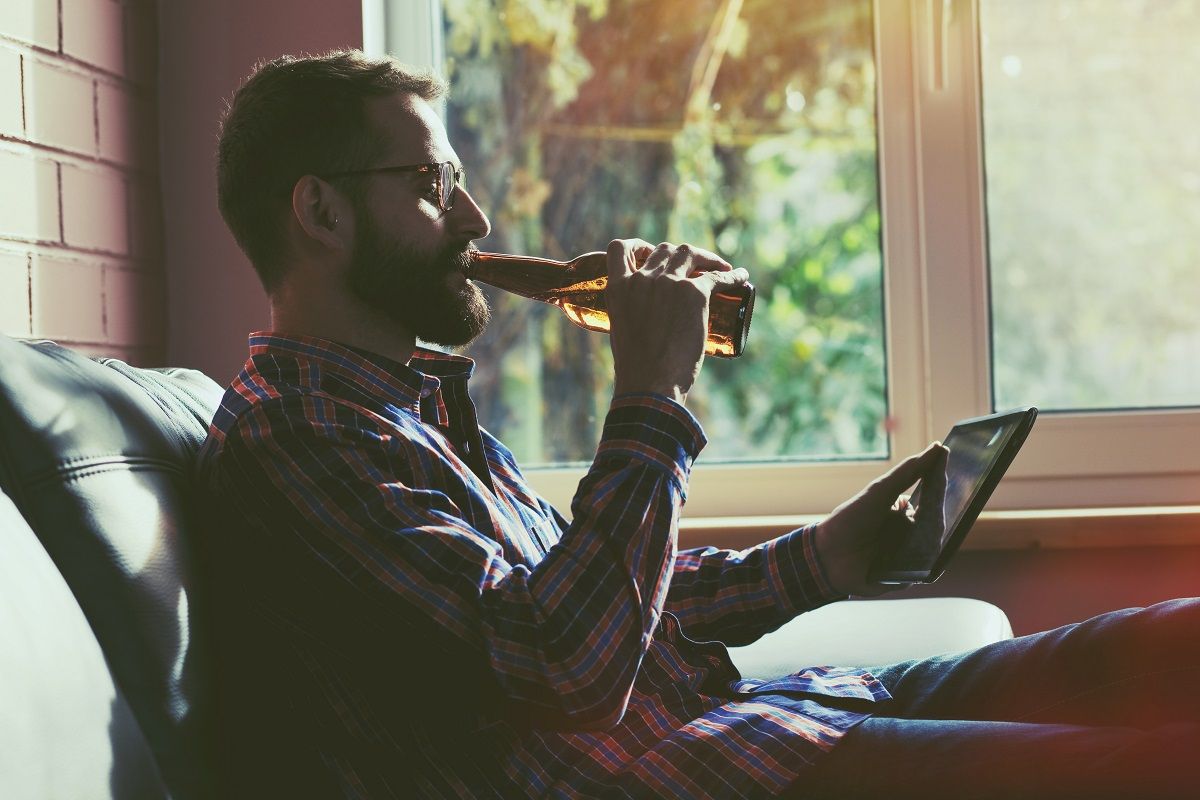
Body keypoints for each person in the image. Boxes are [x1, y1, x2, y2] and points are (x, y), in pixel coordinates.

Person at [198, 49, 1199, 799]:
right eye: (432, 185)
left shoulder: (403, 406)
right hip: (697, 773)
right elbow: (567, 666)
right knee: (1144, 764)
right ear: (321, 213)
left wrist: (825, 557)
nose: (474, 221)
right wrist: (648, 395)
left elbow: (598, 602)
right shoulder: (297, 438)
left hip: (757, 720)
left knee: (1154, 648)